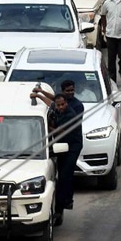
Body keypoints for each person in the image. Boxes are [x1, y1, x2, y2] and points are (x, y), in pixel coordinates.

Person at [32, 89, 82, 225]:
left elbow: (61, 131)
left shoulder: (70, 114)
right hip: (61, 146)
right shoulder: (56, 106)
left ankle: (65, 203)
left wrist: (47, 127)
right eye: (58, 105)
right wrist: (38, 94)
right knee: (60, 173)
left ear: (66, 103)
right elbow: (50, 102)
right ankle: (61, 204)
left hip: (72, 146)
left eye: (62, 105)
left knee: (65, 175)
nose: (60, 107)